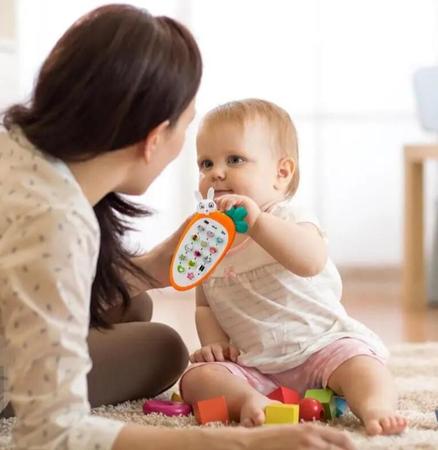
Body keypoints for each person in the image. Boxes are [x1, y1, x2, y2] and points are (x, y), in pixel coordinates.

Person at [0, 4, 355, 450]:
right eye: (198, 148)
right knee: (165, 349)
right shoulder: (57, 221)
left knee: (134, 305)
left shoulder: (19, 156)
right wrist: (242, 445)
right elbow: (52, 432)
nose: (214, 173)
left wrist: (155, 266)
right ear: (153, 139)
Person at [180, 99, 408, 436]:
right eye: (205, 163)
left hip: (320, 347)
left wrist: (257, 224)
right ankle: (249, 400)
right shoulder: (209, 241)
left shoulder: (288, 218)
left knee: (363, 365)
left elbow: (310, 260)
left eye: (235, 160)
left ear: (281, 173)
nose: (216, 172)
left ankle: (375, 406)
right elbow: (204, 304)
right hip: (256, 365)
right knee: (198, 379)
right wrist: (215, 344)